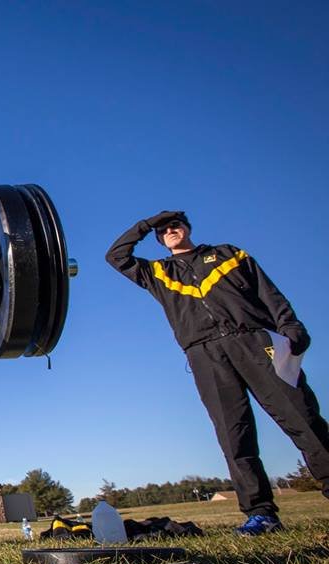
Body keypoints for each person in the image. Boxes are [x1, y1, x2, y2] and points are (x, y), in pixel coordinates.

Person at [106, 210, 329, 535]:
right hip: (204, 353)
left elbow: (269, 292)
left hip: (253, 340)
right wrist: (145, 224)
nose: (170, 230)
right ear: (158, 238)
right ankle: (261, 513)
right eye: (163, 229)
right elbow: (116, 256)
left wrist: (290, 324)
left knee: (301, 417)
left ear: (187, 228)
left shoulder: (229, 254)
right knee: (233, 433)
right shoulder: (158, 272)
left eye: (175, 224)